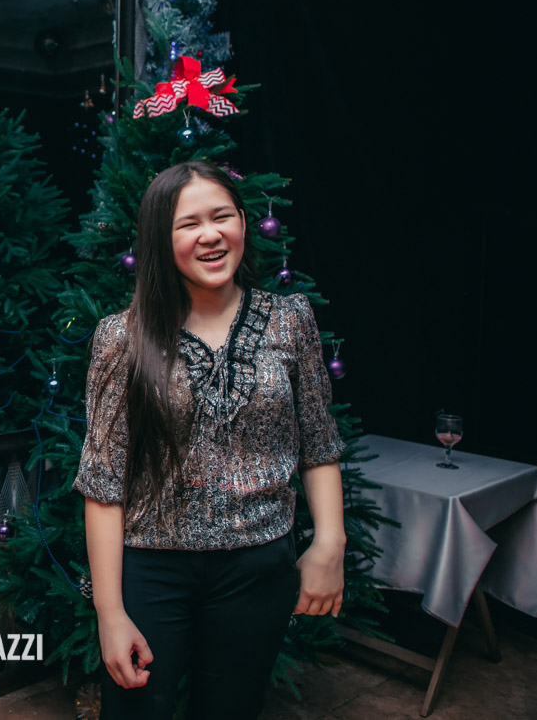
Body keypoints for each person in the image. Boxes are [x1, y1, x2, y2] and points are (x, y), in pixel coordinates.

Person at [74, 160, 346, 720]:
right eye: (188, 224)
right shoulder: (122, 337)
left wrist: (329, 543)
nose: (210, 235)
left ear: (244, 223)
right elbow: (103, 484)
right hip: (150, 570)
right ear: (160, 239)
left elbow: (319, 444)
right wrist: (110, 612)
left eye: (222, 216)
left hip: (258, 568)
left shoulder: (291, 320)